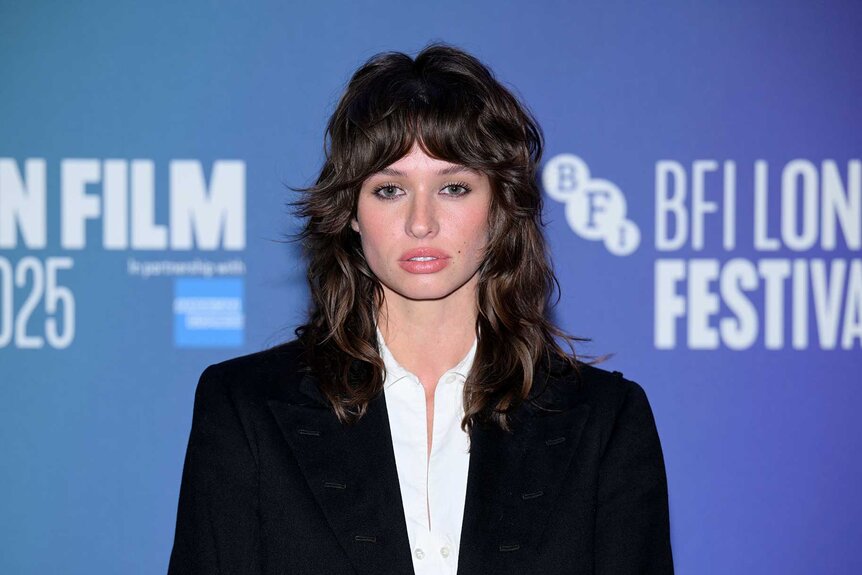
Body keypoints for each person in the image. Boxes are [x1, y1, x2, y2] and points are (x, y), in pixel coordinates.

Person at [168, 43, 673, 574]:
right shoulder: (246, 409)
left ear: (500, 206)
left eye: (453, 187)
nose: (421, 222)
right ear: (351, 211)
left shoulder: (604, 422)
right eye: (389, 189)